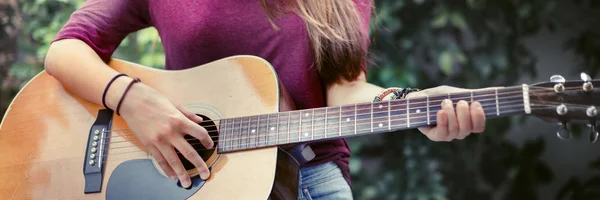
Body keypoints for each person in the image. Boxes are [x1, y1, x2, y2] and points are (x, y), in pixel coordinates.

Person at [44, 0, 486, 199]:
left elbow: (346, 91)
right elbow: (66, 49)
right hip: (197, 185)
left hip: (309, 179)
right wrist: (134, 102)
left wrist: (409, 102)